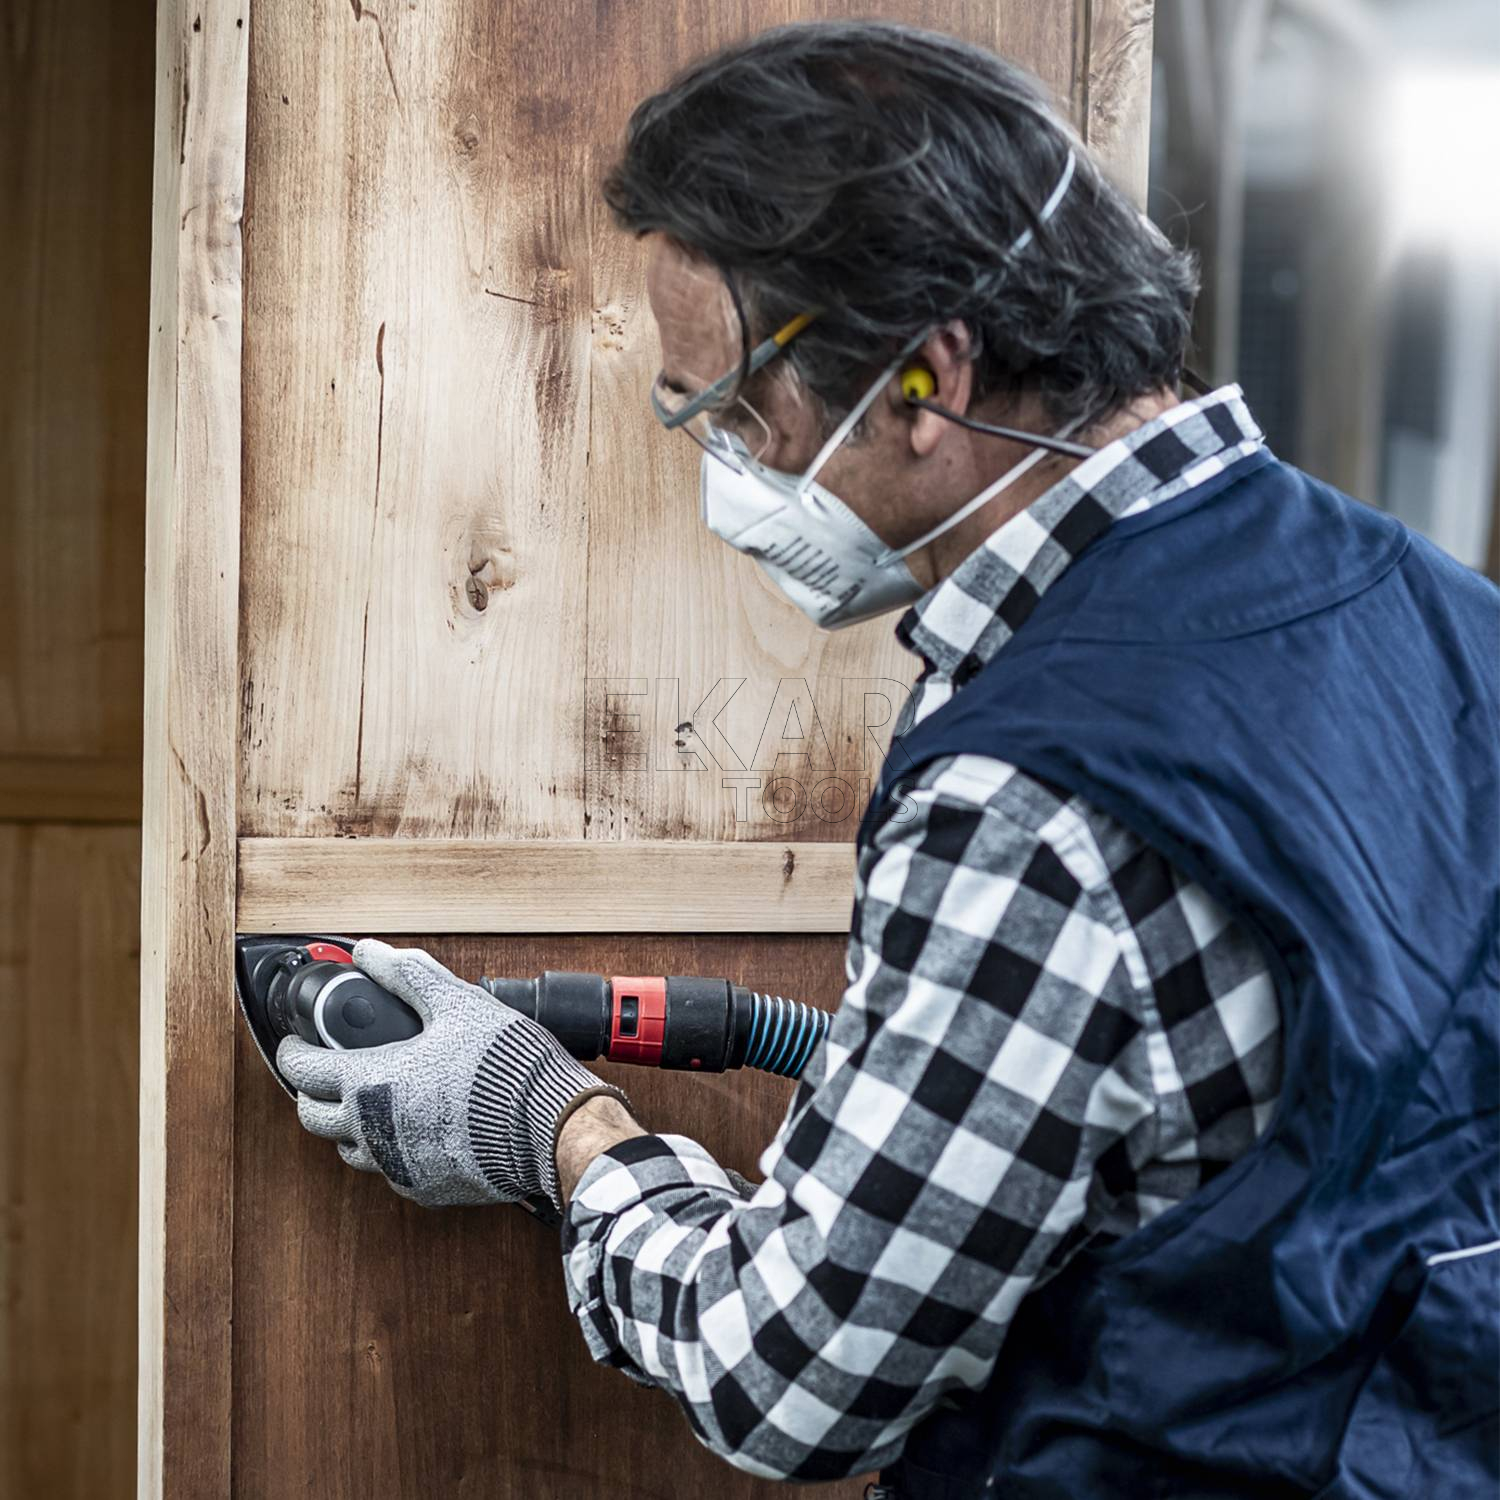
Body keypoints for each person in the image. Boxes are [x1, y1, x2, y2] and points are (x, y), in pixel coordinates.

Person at [278, 21, 1499, 1496]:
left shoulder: (1037, 797)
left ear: (926, 378)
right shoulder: (1449, 619)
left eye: (741, 411)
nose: (732, 474)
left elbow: (791, 1377)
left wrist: (552, 1126)